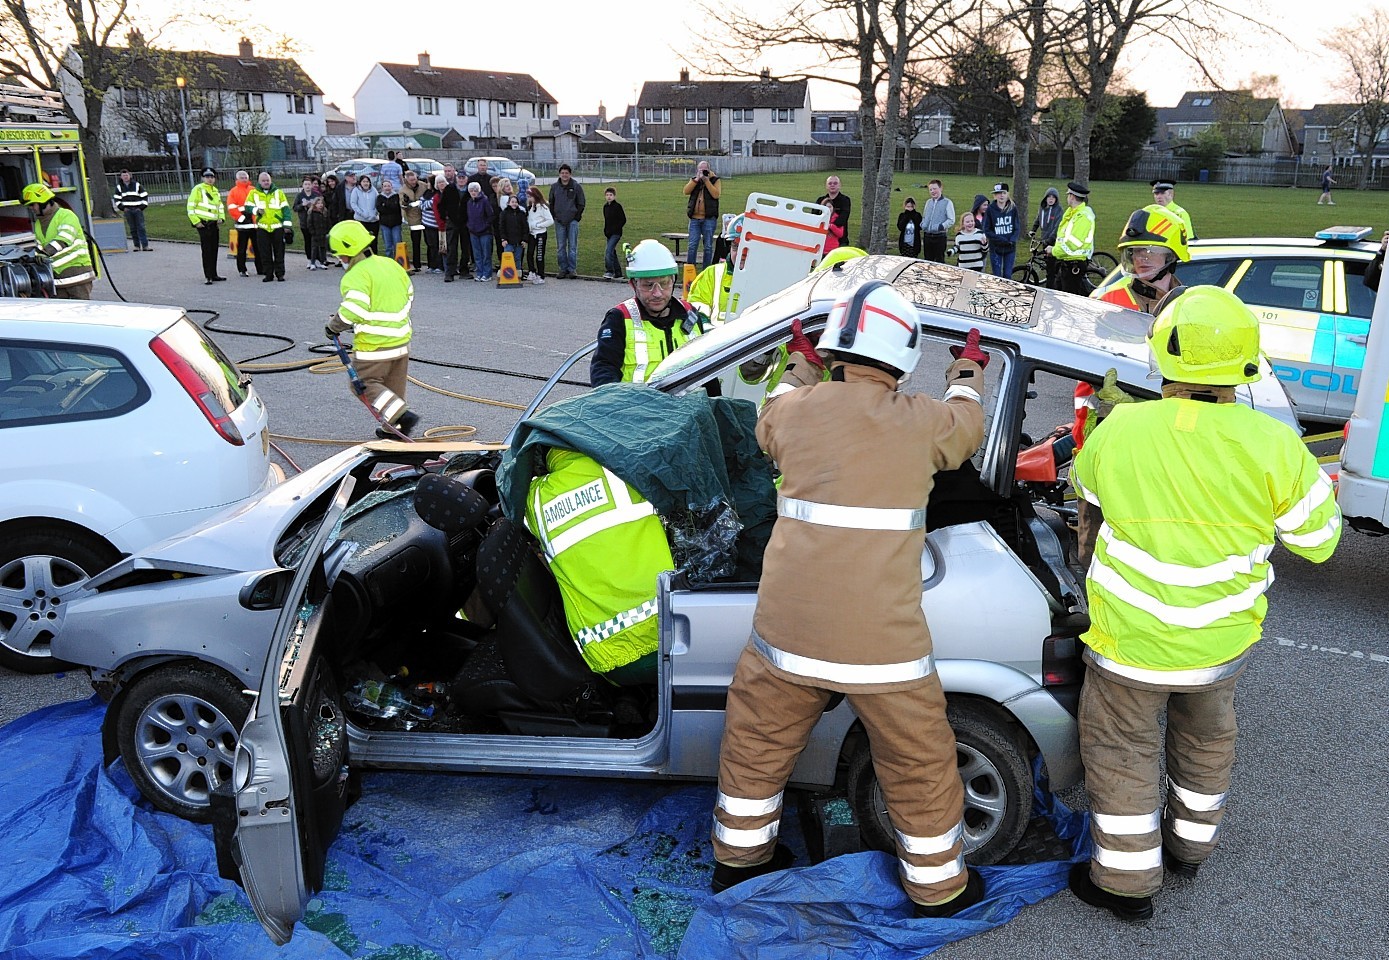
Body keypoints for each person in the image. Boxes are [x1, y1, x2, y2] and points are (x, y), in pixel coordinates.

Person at [709, 280, 990, 919]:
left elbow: (770, 412)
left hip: (789, 632)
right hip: (882, 646)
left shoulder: (794, 411)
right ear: (903, 356)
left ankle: (737, 863)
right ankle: (940, 889)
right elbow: (967, 427)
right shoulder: (923, 422)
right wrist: (968, 368)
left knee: (756, 741)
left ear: (836, 348)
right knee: (917, 759)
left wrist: (802, 360)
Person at [1067, 285, 1341, 922]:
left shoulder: (1123, 428)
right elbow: (1321, 544)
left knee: (1121, 753)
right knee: (1205, 744)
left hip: (1128, 646)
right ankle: (1188, 850)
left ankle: (1126, 885)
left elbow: (1081, 487)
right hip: (1218, 647)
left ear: (1164, 358)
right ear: (1245, 365)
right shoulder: (1274, 445)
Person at [522, 446, 672, 685]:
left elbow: (511, 506)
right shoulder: (626, 469)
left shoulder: (536, 498)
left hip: (611, 660)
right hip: (674, 635)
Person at [324, 220, 420, 440]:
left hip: (374, 345)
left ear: (347, 253)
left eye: (340, 255)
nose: (339, 260)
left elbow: (353, 309)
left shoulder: (356, 275)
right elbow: (408, 294)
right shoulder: (389, 264)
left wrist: (333, 327)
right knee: (393, 387)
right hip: (401, 340)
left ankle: (401, 417)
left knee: (364, 384)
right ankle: (394, 429)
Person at [590, 239, 701, 385]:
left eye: (664, 283)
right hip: (637, 406)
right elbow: (603, 371)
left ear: (674, 281)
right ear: (633, 284)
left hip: (690, 406)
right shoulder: (619, 318)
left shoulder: (690, 314)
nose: (657, 293)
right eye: (648, 285)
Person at [23, 183, 98, 297]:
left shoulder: (66, 215)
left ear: (44, 202)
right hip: (58, 278)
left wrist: (44, 253)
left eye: (33, 204)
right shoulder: (39, 223)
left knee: (81, 312)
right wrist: (29, 256)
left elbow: (63, 239)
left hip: (77, 274)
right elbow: (41, 245)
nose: (31, 208)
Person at [687, 214, 745, 325]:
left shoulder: (770, 279)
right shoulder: (711, 274)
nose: (741, 254)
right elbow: (696, 316)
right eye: (736, 246)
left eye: (747, 247)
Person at [1048, 181, 1095, 295]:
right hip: (1067, 262)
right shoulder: (1072, 213)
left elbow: (1072, 244)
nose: (1067, 197)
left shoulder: (1082, 216)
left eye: (1068, 195)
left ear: (1072, 197)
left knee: (1069, 299)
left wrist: (1053, 251)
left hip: (1074, 264)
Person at [184, 169, 226, 287]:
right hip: (203, 224)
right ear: (202, 178)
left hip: (213, 224)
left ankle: (214, 274)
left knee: (214, 250)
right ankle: (208, 276)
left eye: (212, 176)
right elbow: (191, 207)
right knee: (207, 251)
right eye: (207, 176)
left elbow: (220, 207)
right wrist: (196, 222)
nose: (210, 179)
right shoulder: (198, 189)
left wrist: (221, 218)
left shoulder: (215, 191)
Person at [683, 160, 721, 269]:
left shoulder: (715, 180)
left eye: (705, 170)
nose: (703, 172)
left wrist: (707, 181)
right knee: (692, 245)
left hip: (709, 218)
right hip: (695, 218)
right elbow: (686, 191)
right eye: (701, 169)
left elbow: (716, 194)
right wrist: (696, 180)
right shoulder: (695, 181)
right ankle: (690, 270)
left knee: (708, 246)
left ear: (709, 170)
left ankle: (706, 270)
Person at [549, 164, 585, 279]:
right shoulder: (554, 187)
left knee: (572, 246)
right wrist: (554, 216)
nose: (564, 175)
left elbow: (581, 203)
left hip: (572, 221)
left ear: (570, 174)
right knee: (561, 247)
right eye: (562, 173)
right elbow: (551, 202)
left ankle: (572, 269)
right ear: (559, 174)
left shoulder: (576, 186)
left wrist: (576, 217)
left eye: (567, 173)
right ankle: (562, 269)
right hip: (559, 221)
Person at [982, 182, 1021, 278]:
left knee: (1008, 274)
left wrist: (1012, 239)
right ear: (995, 195)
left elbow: (1017, 227)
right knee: (997, 275)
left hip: (1010, 247)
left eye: (1003, 193)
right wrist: (999, 239)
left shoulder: (1012, 208)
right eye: (999, 193)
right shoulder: (990, 209)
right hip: (996, 248)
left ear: (1007, 194)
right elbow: (987, 229)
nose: (1001, 195)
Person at [227, 170, 258, 277]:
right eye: (242, 178)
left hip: (254, 224)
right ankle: (242, 269)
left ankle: (261, 268)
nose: (244, 179)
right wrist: (241, 218)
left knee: (258, 247)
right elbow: (231, 207)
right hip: (242, 225)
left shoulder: (254, 190)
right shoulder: (234, 191)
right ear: (237, 179)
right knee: (242, 249)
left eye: (246, 177)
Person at [1030, 187, 1062, 287]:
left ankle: (1050, 287)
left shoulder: (1058, 210)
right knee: (1048, 264)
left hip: (1053, 241)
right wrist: (1033, 230)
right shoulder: (1042, 208)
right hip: (1044, 239)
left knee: (1051, 267)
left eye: (1053, 197)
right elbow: (1038, 219)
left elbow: (1057, 227)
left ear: (1056, 199)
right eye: (1049, 197)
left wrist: (1050, 239)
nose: (1051, 199)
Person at [465, 181, 496, 282]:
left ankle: (487, 274)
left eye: (475, 190)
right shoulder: (469, 202)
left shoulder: (485, 201)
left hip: (485, 232)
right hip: (473, 231)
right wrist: (469, 226)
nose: (473, 192)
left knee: (486, 253)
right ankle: (479, 272)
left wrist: (485, 226)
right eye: (471, 191)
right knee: (477, 254)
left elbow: (491, 215)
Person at [113, 169, 149, 252]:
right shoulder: (119, 187)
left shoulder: (137, 185)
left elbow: (144, 196)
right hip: (127, 210)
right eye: (123, 176)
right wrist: (123, 208)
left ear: (130, 176)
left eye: (126, 175)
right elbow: (117, 199)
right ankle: (136, 246)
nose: (125, 177)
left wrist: (141, 208)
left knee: (141, 227)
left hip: (137, 209)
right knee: (132, 228)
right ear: (121, 177)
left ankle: (145, 245)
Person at [919, 179, 955, 263]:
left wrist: (941, 226)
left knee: (939, 260)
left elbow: (951, 220)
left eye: (935, 189)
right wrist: (923, 224)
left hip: (939, 236)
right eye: (930, 189)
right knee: (928, 259)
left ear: (940, 188)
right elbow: (925, 216)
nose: (932, 191)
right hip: (927, 236)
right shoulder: (928, 202)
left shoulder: (947, 202)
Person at [399, 168, 427, 274]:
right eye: (411, 180)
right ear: (407, 180)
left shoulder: (423, 185)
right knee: (416, 242)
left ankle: (433, 263)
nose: (414, 182)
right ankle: (416, 264)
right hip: (413, 219)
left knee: (429, 241)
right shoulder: (403, 190)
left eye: (414, 179)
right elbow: (402, 205)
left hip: (425, 217)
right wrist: (406, 202)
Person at [440, 167, 465, 281]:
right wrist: (445, 216)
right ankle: (450, 272)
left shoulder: (470, 190)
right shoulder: (449, 189)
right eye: (459, 177)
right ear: (456, 178)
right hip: (452, 221)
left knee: (466, 247)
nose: (461, 180)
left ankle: (464, 270)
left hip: (465, 223)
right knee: (451, 247)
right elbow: (441, 204)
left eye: (463, 178)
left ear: (466, 179)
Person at [525, 185, 553, 285]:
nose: (529, 198)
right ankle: (532, 271)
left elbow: (550, 221)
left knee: (539, 256)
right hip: (532, 234)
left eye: (530, 196)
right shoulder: (531, 207)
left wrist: (538, 225)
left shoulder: (543, 207)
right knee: (529, 253)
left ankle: (541, 275)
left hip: (540, 234)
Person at [817, 175, 851, 253]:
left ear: (839, 185)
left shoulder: (845, 200)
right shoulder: (820, 200)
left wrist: (830, 227)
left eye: (835, 183)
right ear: (826, 186)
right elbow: (815, 217)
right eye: (830, 183)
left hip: (841, 239)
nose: (832, 185)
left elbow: (843, 217)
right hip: (822, 239)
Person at [498, 193, 529, 279]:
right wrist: (503, 239)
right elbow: (501, 227)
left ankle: (518, 275)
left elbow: (525, 228)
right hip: (508, 241)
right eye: (512, 202)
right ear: (508, 203)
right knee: (508, 258)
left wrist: (525, 240)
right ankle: (507, 276)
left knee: (518, 258)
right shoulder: (504, 214)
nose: (514, 204)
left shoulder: (521, 214)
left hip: (519, 241)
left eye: (516, 202)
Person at [349, 174, 380, 252]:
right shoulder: (355, 190)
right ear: (360, 183)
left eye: (367, 181)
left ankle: (374, 258)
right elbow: (353, 204)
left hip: (373, 220)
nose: (366, 183)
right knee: (363, 241)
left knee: (373, 241)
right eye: (364, 181)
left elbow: (378, 202)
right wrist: (362, 214)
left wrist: (374, 213)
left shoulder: (374, 190)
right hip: (361, 220)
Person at [294, 176, 321, 266]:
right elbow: (295, 208)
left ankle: (317, 258)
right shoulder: (300, 195)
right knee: (307, 241)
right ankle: (309, 259)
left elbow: (321, 206)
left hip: (315, 222)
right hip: (304, 222)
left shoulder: (315, 195)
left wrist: (313, 206)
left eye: (309, 184)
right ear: (303, 185)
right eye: (305, 184)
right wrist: (302, 205)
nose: (307, 186)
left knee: (315, 241)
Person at [420, 174, 444, 273]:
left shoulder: (438, 194)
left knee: (437, 245)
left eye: (429, 182)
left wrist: (427, 204)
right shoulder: (427, 193)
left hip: (436, 224)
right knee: (429, 245)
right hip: (426, 223)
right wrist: (427, 205)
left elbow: (433, 204)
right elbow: (421, 205)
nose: (427, 184)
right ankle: (431, 265)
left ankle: (439, 265)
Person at [377, 178, 403, 264]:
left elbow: (396, 208)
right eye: (385, 186)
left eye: (388, 186)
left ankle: (398, 262)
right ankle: (389, 262)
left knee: (397, 244)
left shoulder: (396, 196)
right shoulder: (380, 197)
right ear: (382, 188)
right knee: (388, 245)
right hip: (385, 224)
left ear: (391, 186)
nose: (387, 188)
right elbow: (380, 209)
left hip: (396, 224)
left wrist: (386, 206)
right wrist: (389, 206)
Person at [603, 187, 627, 279]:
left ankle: (610, 271)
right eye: (607, 195)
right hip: (608, 233)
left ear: (614, 196)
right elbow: (606, 220)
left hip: (616, 233)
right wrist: (606, 230)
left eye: (611, 195)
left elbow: (623, 219)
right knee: (612, 252)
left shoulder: (617, 206)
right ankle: (618, 272)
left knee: (608, 251)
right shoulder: (605, 207)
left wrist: (616, 228)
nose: (609, 197)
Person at [306, 196, 329, 270]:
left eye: (321, 203)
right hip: (315, 233)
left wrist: (327, 230)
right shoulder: (312, 213)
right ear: (315, 204)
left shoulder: (325, 212)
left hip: (323, 233)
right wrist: (312, 232)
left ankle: (322, 262)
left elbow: (328, 222)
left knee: (323, 248)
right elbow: (309, 223)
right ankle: (313, 263)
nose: (320, 205)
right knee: (314, 248)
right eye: (318, 203)